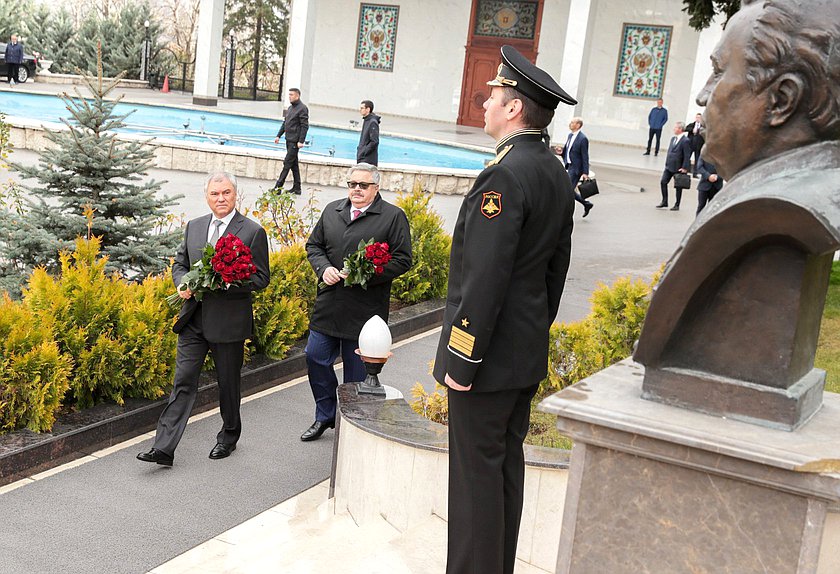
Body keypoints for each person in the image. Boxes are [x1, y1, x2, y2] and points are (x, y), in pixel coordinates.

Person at [433, 45, 576, 574]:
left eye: (494, 94)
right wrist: (532, 330)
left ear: (514, 108)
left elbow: (484, 277)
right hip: (520, 353)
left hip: (486, 361)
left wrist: (463, 358)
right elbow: (554, 271)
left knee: (474, 480)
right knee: (503, 471)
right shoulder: (552, 170)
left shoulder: (505, 174)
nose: (487, 102)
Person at [137, 172, 270, 466]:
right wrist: (182, 282)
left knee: (228, 384)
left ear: (236, 195)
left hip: (228, 323)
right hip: (193, 319)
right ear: (206, 196)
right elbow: (181, 263)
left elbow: (261, 278)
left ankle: (229, 436)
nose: (220, 199)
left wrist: (226, 280)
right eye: (214, 194)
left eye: (226, 193)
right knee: (183, 381)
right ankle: (164, 447)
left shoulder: (252, 231)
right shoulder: (194, 226)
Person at [301, 162, 412, 442]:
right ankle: (325, 415)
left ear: (376, 187)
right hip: (329, 304)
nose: (357, 190)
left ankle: (353, 426)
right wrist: (323, 267)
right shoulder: (332, 211)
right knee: (315, 357)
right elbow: (314, 246)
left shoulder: (393, 217)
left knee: (356, 374)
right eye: (352, 185)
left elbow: (402, 259)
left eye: (363, 185)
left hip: (365, 313)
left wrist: (367, 273)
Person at [273, 88, 309, 195]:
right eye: (289, 95)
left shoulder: (303, 108)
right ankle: (297, 188)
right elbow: (285, 123)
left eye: (292, 95)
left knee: (287, 163)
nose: (290, 97)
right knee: (294, 165)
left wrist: (301, 140)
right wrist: (278, 135)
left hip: (295, 142)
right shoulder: (290, 108)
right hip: (288, 140)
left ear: (297, 96)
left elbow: (304, 126)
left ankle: (278, 187)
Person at [561, 116, 593, 217]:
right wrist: (561, 152)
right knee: (569, 190)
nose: (570, 124)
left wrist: (585, 172)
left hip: (576, 169)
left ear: (578, 125)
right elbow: (568, 151)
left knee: (567, 190)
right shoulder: (570, 135)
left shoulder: (583, 139)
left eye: (572, 123)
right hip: (569, 166)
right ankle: (587, 204)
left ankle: (565, 212)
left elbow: (585, 156)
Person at [656, 121, 692, 210]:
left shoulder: (685, 141)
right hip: (669, 166)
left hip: (678, 167)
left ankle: (677, 204)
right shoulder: (673, 139)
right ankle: (665, 201)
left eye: (675, 127)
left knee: (678, 186)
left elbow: (687, 155)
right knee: (663, 182)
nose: (674, 129)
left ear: (680, 129)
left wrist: (685, 167)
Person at [356, 100, 380, 166]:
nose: (360, 110)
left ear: (368, 109)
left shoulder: (372, 122)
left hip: (368, 160)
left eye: (362, 108)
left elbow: (374, 141)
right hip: (363, 158)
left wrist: (364, 152)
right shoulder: (367, 120)